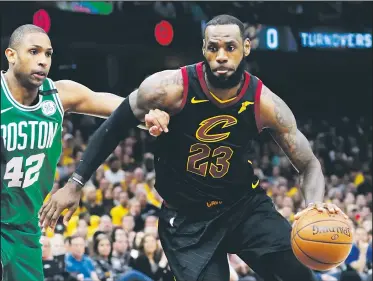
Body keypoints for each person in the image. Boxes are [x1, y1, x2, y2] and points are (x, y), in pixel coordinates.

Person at [40, 15, 349, 281]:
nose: (222, 56)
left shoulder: (265, 103)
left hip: (243, 206)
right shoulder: (169, 87)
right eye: (213, 48)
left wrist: (312, 206)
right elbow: (114, 125)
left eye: (230, 47)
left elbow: (309, 165)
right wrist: (75, 183)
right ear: (204, 49)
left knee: (300, 273)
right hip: (186, 218)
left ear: (246, 48)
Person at [0, 24, 169, 281]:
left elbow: (123, 108)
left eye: (48, 54)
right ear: (11, 55)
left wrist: (150, 116)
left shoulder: (58, 94)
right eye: (33, 52)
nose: (42, 61)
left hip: (26, 228)